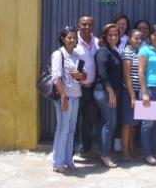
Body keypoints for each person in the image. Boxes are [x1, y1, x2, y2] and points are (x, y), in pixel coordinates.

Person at [51, 26, 86, 173]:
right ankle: (58, 163)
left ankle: (68, 160)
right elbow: (56, 77)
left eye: (74, 38)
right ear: (63, 39)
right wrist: (63, 97)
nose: (72, 40)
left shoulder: (76, 55)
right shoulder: (59, 54)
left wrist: (81, 76)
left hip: (75, 96)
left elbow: (83, 77)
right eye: (69, 37)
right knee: (62, 130)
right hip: (64, 98)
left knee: (71, 130)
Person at [93, 23, 123, 168]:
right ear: (104, 36)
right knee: (110, 122)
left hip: (111, 91)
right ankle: (105, 155)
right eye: (110, 34)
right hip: (104, 91)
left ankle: (102, 151)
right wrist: (111, 92)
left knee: (106, 122)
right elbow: (102, 74)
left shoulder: (114, 51)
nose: (113, 37)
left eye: (116, 35)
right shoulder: (103, 51)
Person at [138, 24, 156, 165]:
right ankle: (147, 154)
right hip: (149, 89)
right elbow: (141, 72)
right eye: (154, 34)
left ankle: (155, 152)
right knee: (147, 124)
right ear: (150, 36)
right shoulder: (145, 50)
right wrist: (144, 93)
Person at [74, 16, 99, 157]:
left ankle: (85, 147)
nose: (87, 27)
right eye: (84, 24)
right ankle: (69, 150)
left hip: (93, 88)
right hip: (78, 88)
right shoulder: (74, 42)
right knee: (74, 120)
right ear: (79, 25)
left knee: (89, 120)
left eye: (90, 24)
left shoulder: (97, 42)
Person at [120, 29, 142, 161]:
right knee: (127, 123)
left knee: (133, 123)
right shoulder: (127, 52)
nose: (138, 41)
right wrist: (132, 96)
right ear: (129, 39)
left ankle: (131, 149)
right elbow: (127, 76)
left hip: (138, 91)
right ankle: (125, 152)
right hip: (129, 92)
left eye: (140, 38)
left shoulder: (138, 52)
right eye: (136, 38)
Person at [111, 13, 131, 152]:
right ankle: (108, 142)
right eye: (119, 23)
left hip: (125, 84)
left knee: (121, 114)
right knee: (109, 114)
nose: (121, 26)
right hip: (111, 83)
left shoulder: (129, 40)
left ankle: (119, 141)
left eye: (124, 24)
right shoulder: (108, 40)